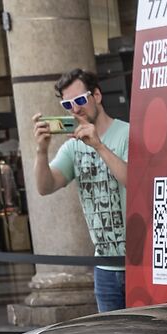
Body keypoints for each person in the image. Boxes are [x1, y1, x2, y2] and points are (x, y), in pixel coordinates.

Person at [33, 66, 130, 313]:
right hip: (104, 267)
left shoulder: (127, 133)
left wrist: (99, 146)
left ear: (96, 95)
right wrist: (41, 151)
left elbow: (135, 182)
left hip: (139, 263)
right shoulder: (72, 147)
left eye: (79, 100)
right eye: (68, 105)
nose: (75, 109)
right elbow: (45, 187)